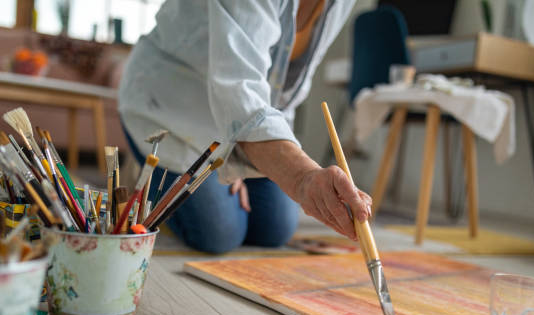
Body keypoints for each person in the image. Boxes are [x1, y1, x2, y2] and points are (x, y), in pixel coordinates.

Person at [119, 0, 371, 254]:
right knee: (219, 233)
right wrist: (301, 176)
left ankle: (233, 161)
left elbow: (284, 85)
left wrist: (248, 151)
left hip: (238, 116)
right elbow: (239, 85)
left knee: (275, 228)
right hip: (169, 107)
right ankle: (147, 174)